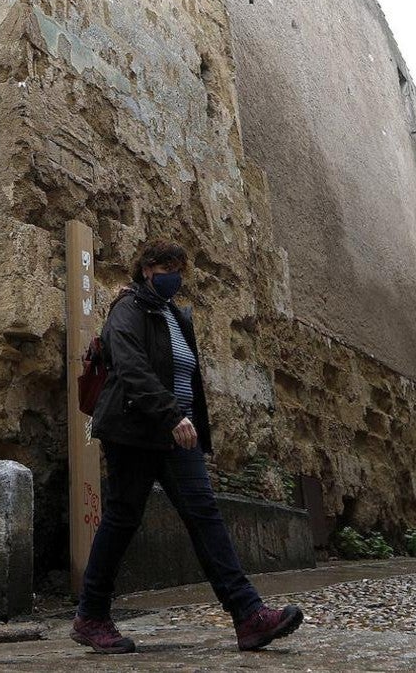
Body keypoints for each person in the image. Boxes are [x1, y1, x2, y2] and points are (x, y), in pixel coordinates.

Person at [70, 238, 304, 654]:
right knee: (123, 518)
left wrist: (188, 420)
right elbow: (131, 368)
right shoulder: (128, 309)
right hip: (135, 430)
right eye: (165, 269)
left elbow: (186, 376)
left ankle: (249, 616)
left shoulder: (175, 316)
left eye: (178, 268)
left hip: (179, 433)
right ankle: (91, 615)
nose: (173, 277)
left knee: (204, 514)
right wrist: (170, 415)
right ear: (146, 269)